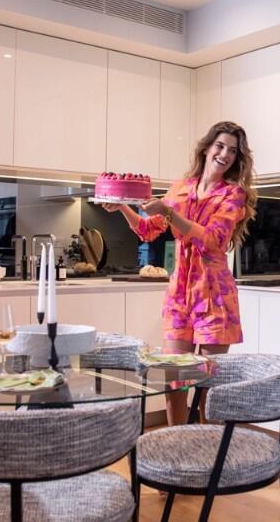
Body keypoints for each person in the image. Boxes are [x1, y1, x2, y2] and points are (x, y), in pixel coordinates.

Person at [104, 121, 257, 425]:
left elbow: (213, 240)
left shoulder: (233, 195)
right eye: (220, 146)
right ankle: (178, 441)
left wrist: (169, 213)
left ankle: (210, 446)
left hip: (215, 296)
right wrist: (123, 207)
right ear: (207, 148)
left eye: (232, 150)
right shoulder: (180, 188)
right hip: (179, 295)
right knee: (174, 378)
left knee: (208, 384)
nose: (224, 154)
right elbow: (147, 230)